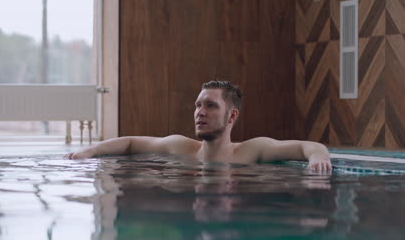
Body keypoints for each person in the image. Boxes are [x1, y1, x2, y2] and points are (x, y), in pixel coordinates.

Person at [67, 81, 332, 171]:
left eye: (211, 106)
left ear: (231, 116)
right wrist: (89, 152)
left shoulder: (252, 151)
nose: (200, 112)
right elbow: (129, 143)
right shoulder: (181, 147)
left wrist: (318, 156)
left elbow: (307, 146)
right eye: (198, 105)